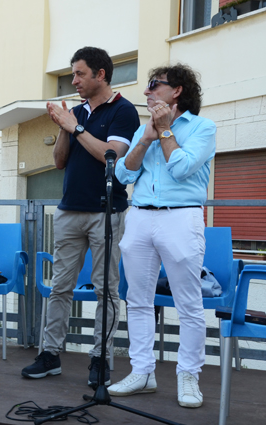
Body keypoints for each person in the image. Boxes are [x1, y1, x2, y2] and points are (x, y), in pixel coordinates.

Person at [20, 47, 139, 388]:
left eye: (80, 74)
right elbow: (59, 162)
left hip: (106, 211)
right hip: (70, 210)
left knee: (107, 290)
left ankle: (100, 359)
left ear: (101, 74)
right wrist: (62, 126)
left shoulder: (123, 111)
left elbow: (111, 156)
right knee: (60, 286)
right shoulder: (75, 113)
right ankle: (50, 354)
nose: (73, 81)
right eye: (72, 74)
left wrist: (76, 128)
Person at [108, 64, 215, 408]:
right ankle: (142, 372)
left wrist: (166, 131)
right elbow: (123, 173)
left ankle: (188, 376)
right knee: (138, 300)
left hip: (180, 217)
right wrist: (146, 139)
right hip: (139, 216)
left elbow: (182, 169)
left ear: (177, 91)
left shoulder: (203, 127)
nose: (147, 91)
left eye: (155, 85)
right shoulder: (147, 128)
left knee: (189, 304)